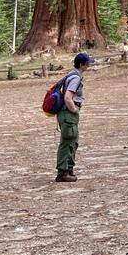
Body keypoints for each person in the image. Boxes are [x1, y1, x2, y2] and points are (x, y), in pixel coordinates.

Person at [56, 52, 95, 182]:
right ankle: (63, 172)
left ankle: (68, 169)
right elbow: (68, 97)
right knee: (68, 142)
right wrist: (74, 110)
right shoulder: (75, 78)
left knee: (72, 141)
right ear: (81, 64)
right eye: (87, 63)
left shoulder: (71, 74)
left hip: (65, 114)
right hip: (68, 114)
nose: (89, 65)